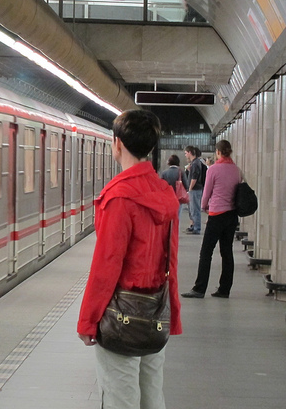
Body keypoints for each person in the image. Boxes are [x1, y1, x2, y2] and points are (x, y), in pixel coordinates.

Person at [77, 110, 182, 409]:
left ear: (118, 143)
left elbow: (106, 266)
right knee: (152, 396)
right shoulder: (164, 192)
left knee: (120, 398)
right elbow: (171, 261)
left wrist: (88, 320)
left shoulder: (119, 197)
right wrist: (173, 311)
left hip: (121, 315)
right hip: (154, 311)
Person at [181, 140, 241, 298]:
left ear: (218, 152)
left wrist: (204, 207)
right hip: (232, 215)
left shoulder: (213, 169)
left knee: (206, 252)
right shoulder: (236, 170)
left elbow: (206, 193)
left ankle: (199, 289)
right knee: (227, 252)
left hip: (216, 215)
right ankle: (224, 289)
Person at [161, 154, 189, 220]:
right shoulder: (181, 172)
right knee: (177, 216)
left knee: (168, 215)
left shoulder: (164, 173)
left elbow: (161, 185)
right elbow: (186, 185)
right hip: (178, 196)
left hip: (168, 196)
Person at [184, 146, 204, 234]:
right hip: (196, 189)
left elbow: (194, 177)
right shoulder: (195, 163)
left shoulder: (195, 164)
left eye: (186, 153)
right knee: (193, 209)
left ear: (189, 152)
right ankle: (195, 226)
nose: (185, 155)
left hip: (195, 189)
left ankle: (197, 228)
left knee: (195, 209)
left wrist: (190, 188)